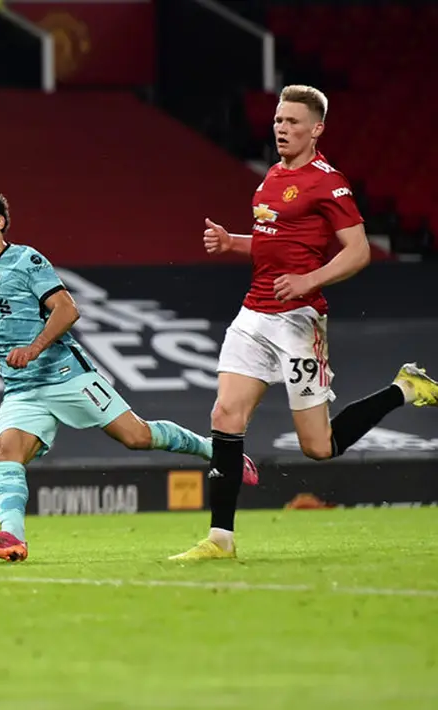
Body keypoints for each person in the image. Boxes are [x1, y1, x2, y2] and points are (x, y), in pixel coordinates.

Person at [170, 85, 438, 561]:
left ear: (317, 130)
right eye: (278, 120)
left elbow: (357, 252)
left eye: (293, 122)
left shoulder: (328, 182)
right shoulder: (271, 176)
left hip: (298, 321)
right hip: (253, 314)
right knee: (224, 416)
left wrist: (308, 279)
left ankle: (403, 388)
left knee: (318, 446)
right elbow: (273, 242)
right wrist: (233, 241)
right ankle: (220, 540)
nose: (281, 129)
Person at [0, 183, 256, 562]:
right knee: (6, 452)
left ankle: (215, 451)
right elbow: (0, 341)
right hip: (22, 391)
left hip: (66, 375)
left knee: (137, 436)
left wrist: (33, 349)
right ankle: (12, 537)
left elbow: (66, 309)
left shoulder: (26, 260)